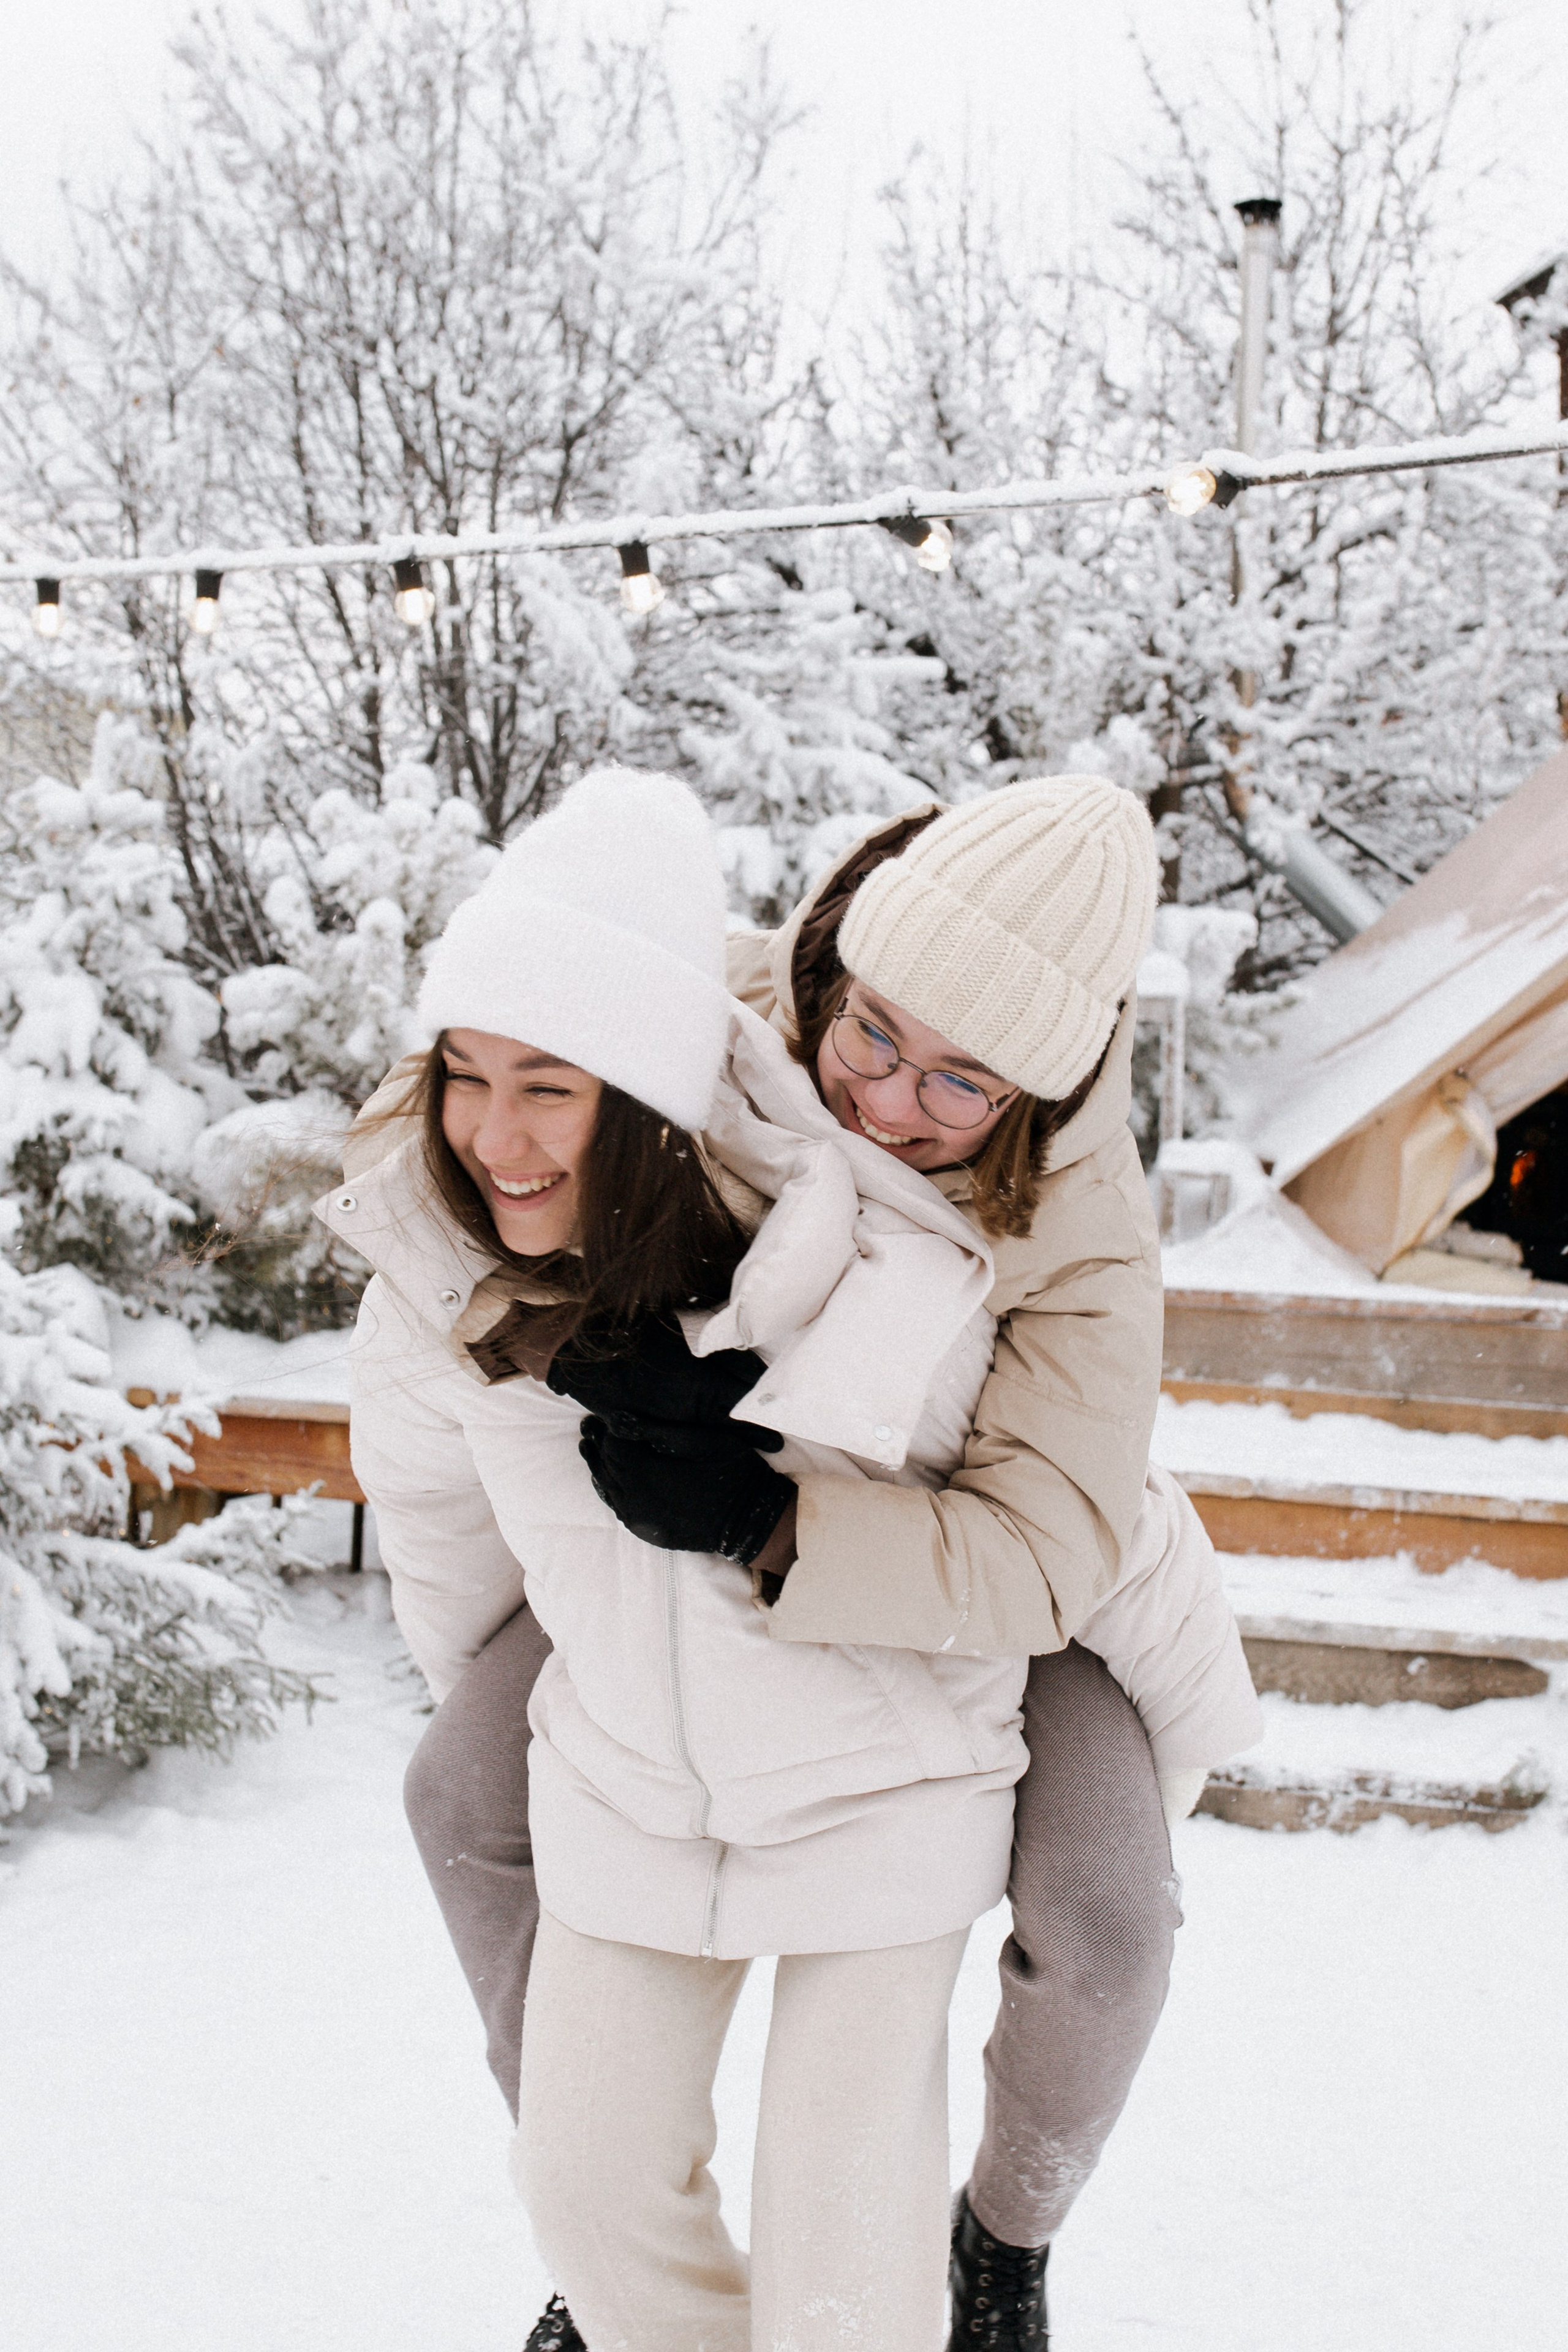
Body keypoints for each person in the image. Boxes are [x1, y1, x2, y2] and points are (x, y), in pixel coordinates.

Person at [344, 769, 1261, 2351]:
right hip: (673, 1558)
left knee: (1106, 1918)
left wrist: (767, 1521)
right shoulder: (726, 1012)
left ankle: (1001, 2243)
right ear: (837, 971)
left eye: (959, 1084)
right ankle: (613, 2237)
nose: (887, 1103)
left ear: (1034, 1095)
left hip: (1010, 1571)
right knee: (465, 1799)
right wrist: (567, 1331)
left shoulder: (1082, 1223)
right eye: (874, 1036)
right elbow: (480, 1105)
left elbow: (1047, 1549)